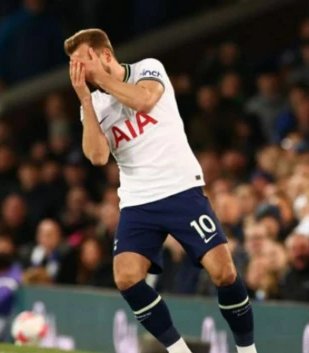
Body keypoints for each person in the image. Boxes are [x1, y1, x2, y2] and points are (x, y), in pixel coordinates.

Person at [65, 29, 256, 353]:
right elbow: (97, 157)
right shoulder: (92, 104)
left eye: (84, 61)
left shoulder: (147, 69)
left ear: (105, 55)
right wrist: (86, 98)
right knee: (126, 277)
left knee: (223, 273)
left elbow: (144, 100)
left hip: (181, 189)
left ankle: (247, 350)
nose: (80, 71)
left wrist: (102, 80)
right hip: (138, 201)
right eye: (74, 65)